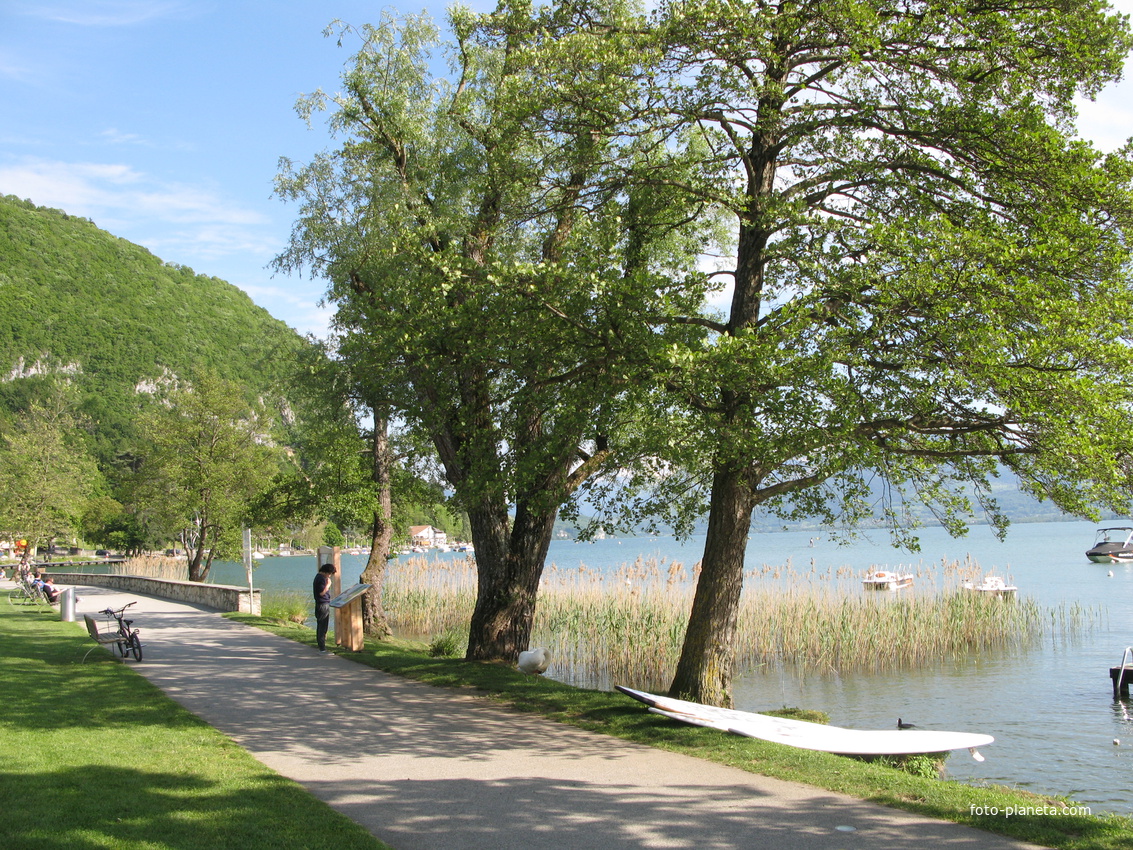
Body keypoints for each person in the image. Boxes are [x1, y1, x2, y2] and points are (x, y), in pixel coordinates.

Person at [313, 563, 336, 653]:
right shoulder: (321, 579)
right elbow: (321, 593)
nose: (329, 576)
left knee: (321, 625)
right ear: (326, 572)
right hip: (322, 604)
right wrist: (328, 585)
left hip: (321, 604)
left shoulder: (319, 577)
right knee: (323, 626)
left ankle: (321, 645)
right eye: (329, 573)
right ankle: (322, 648)